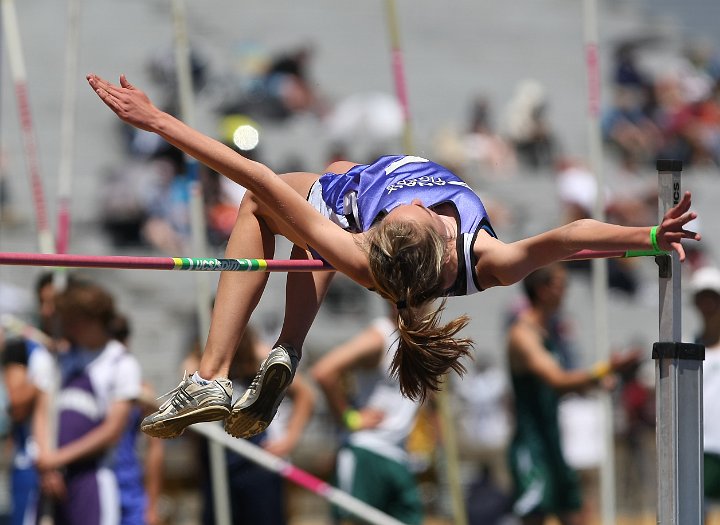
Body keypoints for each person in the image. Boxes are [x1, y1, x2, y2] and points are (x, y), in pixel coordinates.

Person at [86, 73, 700, 443]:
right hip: (353, 195)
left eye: (395, 216)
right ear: (435, 232)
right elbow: (570, 237)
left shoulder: (357, 248)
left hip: (345, 207)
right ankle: (287, 350)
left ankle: (211, 375)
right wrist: (647, 235)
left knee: (259, 204)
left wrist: (158, 121)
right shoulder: (486, 257)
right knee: (331, 175)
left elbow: (256, 175)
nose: (404, 209)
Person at [506, 264, 640, 525]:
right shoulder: (523, 336)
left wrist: (600, 383)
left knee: (576, 514)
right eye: (561, 285)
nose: (567, 292)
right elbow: (558, 380)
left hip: (552, 442)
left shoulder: (548, 332)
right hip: (531, 447)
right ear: (543, 291)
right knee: (535, 518)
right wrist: (605, 369)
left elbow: (564, 384)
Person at [30, 281, 142, 525]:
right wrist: (46, 463)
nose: (68, 325)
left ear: (93, 318)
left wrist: (58, 459)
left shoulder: (121, 363)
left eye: (74, 318)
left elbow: (112, 431)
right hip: (50, 479)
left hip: (92, 479)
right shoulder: (57, 358)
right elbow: (42, 411)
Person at [311, 306, 423, 524]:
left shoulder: (417, 341)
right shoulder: (379, 337)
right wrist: (349, 418)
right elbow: (324, 372)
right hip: (367, 453)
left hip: (398, 457)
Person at [108, 314, 164, 525]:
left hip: (129, 489)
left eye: (121, 337)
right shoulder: (89, 385)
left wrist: (151, 505)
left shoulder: (142, 392)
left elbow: (155, 449)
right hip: (95, 484)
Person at [688, 266, 720, 511]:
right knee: (699, 512)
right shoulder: (689, 345)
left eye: (713, 299)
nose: (708, 305)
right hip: (703, 444)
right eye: (702, 299)